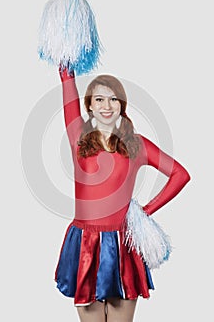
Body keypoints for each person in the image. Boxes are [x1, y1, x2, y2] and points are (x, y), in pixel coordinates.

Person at [54, 68, 191, 322]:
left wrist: (144, 212)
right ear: (90, 107)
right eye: (99, 99)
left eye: (113, 99)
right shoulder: (79, 140)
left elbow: (180, 175)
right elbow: (66, 80)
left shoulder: (136, 145)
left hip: (121, 244)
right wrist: (66, 67)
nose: (107, 106)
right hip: (85, 243)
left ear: (121, 105)